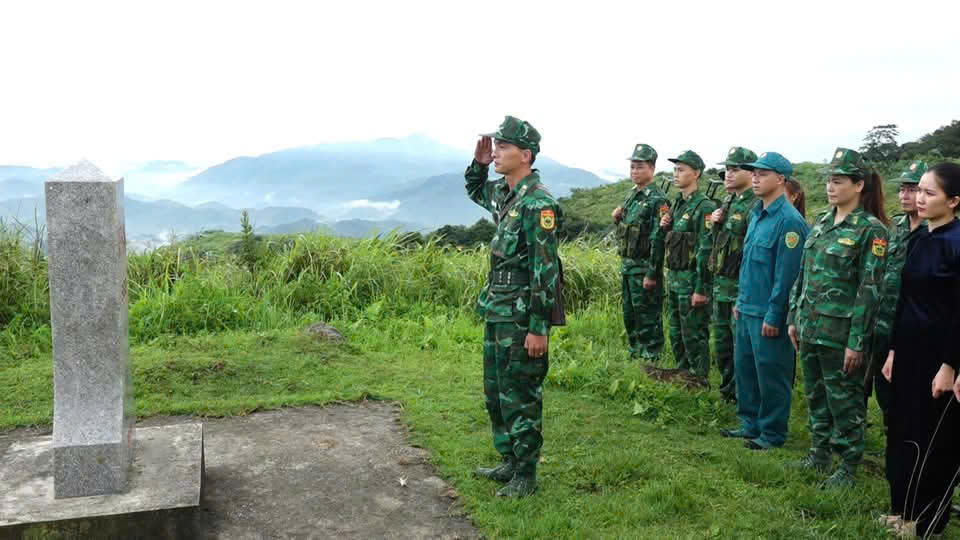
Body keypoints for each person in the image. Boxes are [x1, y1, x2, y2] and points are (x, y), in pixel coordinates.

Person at [466, 116, 562, 498]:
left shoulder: (538, 204)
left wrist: (539, 327)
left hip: (522, 315)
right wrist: (480, 162)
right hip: (498, 308)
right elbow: (475, 189)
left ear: (526, 155)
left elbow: (546, 270)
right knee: (496, 391)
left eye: (503, 147)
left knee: (521, 392)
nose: (497, 152)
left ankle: (526, 473)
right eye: (496, 147)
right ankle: (508, 459)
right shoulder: (507, 195)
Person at [787, 147, 888, 488]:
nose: (831, 187)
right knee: (815, 394)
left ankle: (847, 465)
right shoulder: (822, 222)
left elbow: (869, 290)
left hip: (841, 334)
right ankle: (818, 454)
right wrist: (793, 316)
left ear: (859, 185)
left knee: (844, 400)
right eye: (829, 181)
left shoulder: (870, 230)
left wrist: (857, 342)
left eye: (839, 181)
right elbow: (803, 274)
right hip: (810, 326)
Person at [881, 162, 960, 537]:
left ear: (955, 201)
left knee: (934, 442)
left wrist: (950, 364)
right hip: (908, 351)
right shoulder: (919, 238)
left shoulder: (956, 243)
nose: (919, 198)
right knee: (903, 430)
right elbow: (904, 300)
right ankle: (903, 510)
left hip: (939, 356)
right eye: (918, 191)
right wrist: (894, 350)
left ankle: (928, 521)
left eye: (930, 193)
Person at [720, 152, 807, 450]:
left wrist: (775, 315)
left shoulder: (789, 222)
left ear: (781, 179)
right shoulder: (757, 213)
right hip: (746, 306)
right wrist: (739, 301)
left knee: (772, 372)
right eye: (754, 173)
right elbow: (748, 264)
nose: (755, 178)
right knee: (746, 370)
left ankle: (771, 433)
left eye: (763, 174)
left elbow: (787, 277)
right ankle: (750, 423)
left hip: (768, 312)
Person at [867, 161, 927, 430]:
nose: (905, 196)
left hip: (916, 327)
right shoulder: (895, 228)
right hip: (884, 325)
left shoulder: (938, 232)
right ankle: (893, 433)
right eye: (902, 190)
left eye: (912, 190)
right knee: (884, 385)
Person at [660, 150, 718, 384]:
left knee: (694, 333)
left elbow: (706, 250)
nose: (676, 174)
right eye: (675, 169)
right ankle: (682, 372)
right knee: (676, 331)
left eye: (681, 170)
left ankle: (699, 377)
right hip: (674, 279)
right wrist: (665, 226)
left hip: (691, 282)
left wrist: (701, 288)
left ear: (696, 174)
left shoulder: (703, 206)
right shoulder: (678, 204)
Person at [707, 147, 759, 401]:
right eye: (727, 169)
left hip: (741, 289)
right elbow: (721, 246)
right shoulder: (728, 201)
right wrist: (715, 225)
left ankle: (744, 396)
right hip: (722, 286)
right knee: (723, 346)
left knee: (742, 348)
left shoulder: (755, 204)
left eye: (735, 169)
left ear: (751, 173)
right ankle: (728, 393)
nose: (728, 174)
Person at [612, 144, 668, 361]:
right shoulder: (632, 196)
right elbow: (627, 231)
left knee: (647, 316)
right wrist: (617, 219)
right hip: (628, 266)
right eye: (632, 167)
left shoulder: (657, 200)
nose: (635, 171)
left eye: (640, 167)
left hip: (643, 267)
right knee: (630, 314)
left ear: (652, 168)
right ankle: (635, 353)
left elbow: (658, 239)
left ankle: (651, 356)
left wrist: (652, 273)